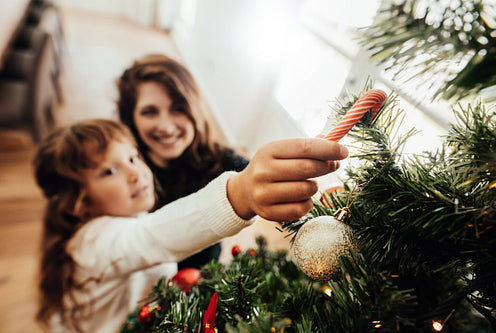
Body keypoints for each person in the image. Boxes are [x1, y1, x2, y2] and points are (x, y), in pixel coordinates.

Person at [34, 118, 349, 333]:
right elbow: (152, 237)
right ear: (78, 202)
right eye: (108, 171)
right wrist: (239, 193)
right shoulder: (91, 242)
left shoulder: (123, 220)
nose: (135, 174)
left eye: (132, 158)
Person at [117, 54, 249, 270]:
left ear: (194, 109)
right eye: (150, 112)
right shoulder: (121, 170)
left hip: (200, 283)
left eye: (178, 108)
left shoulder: (221, 161)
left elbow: (261, 174)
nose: (166, 127)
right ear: (131, 117)